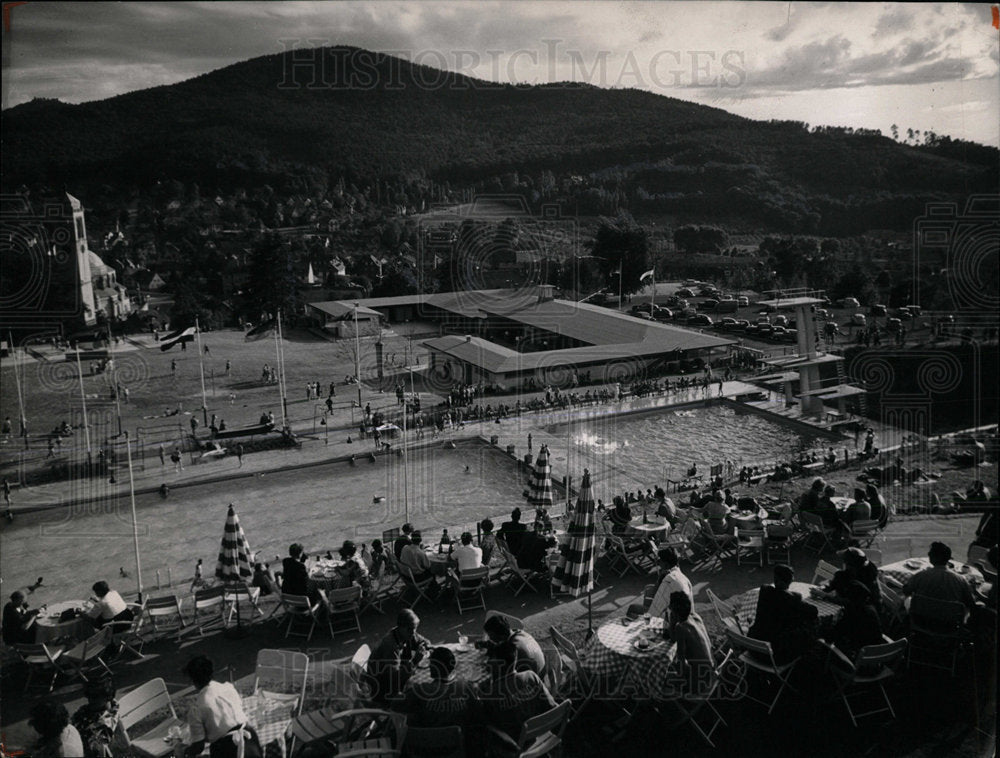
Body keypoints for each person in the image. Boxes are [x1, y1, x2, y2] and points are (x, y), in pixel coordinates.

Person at [478, 640, 557, 757]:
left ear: (500, 664)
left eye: (492, 659)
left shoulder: (491, 692)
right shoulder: (531, 676)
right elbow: (552, 706)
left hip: (513, 744)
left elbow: (487, 723)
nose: (488, 662)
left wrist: (482, 693)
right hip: (540, 734)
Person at [183, 655, 262, 758]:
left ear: (192, 680)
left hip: (226, 749)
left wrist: (185, 751)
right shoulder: (228, 687)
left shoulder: (196, 709)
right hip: (250, 738)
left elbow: (199, 746)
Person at [748, 565, 818, 663]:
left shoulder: (765, 590)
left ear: (775, 578)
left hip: (753, 649)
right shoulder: (793, 598)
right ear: (789, 581)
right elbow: (814, 611)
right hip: (775, 657)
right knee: (808, 626)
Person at [399, 645, 479, 728]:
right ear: (452, 667)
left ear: (432, 667)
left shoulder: (421, 690)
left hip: (428, 738)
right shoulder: (466, 687)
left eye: (431, 663)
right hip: (459, 739)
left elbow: (396, 706)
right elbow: (477, 712)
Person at [368, 609, 431, 704]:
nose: (413, 633)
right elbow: (395, 679)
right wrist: (414, 661)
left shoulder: (406, 634)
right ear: (400, 627)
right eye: (410, 629)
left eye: (415, 628)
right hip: (384, 690)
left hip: (396, 680)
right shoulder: (391, 645)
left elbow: (424, 642)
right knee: (423, 696)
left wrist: (426, 647)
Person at [662, 592, 715, 698]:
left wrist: (672, 622)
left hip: (699, 683)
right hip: (711, 673)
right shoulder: (695, 616)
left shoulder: (681, 628)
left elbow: (681, 664)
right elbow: (674, 638)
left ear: (674, 612)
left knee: (660, 678)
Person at [902, 541, 975, 611]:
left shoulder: (920, 576)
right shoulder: (960, 580)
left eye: (930, 553)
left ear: (931, 558)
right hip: (950, 621)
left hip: (921, 619)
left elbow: (906, 590)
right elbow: (970, 602)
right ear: (949, 559)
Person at [827, 580, 883, 659]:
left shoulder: (852, 614)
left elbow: (832, 636)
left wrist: (830, 624)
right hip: (877, 654)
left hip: (857, 656)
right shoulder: (871, 609)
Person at [813, 547, 880, 607]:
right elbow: (832, 584)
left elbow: (849, 602)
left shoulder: (860, 584)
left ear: (850, 565)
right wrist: (822, 588)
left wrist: (825, 595)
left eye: (845, 562)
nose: (843, 564)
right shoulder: (845, 574)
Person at [71, 676, 120, 758]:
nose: (90, 700)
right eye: (88, 695)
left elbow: (96, 747)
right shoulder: (91, 708)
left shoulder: (107, 720)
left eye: (95, 696)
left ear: (108, 696)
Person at [481, 614, 546, 675]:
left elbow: (498, 668)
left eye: (491, 635)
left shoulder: (513, 646)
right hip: (540, 670)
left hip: (533, 679)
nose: (490, 638)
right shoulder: (519, 632)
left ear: (501, 635)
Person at [646, 546, 694, 619]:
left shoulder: (669, 580)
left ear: (665, 563)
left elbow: (654, 612)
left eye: (659, 561)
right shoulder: (683, 577)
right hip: (688, 619)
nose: (658, 563)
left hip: (673, 624)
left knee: (633, 608)